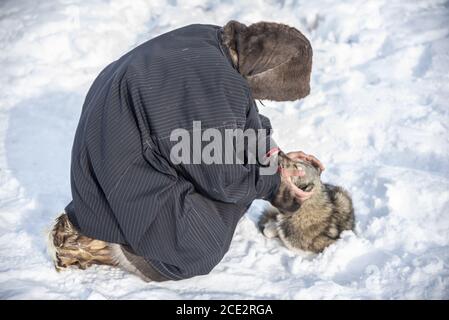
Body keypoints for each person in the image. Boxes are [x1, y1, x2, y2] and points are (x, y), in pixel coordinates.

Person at [48, 20, 324, 281]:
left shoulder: (215, 42)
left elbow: (239, 118)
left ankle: (114, 226)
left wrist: (274, 157)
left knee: (240, 171)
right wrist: (273, 182)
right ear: (264, 79)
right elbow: (225, 179)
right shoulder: (214, 85)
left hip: (112, 159)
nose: (260, 100)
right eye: (265, 95)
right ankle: (104, 244)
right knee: (203, 243)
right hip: (117, 184)